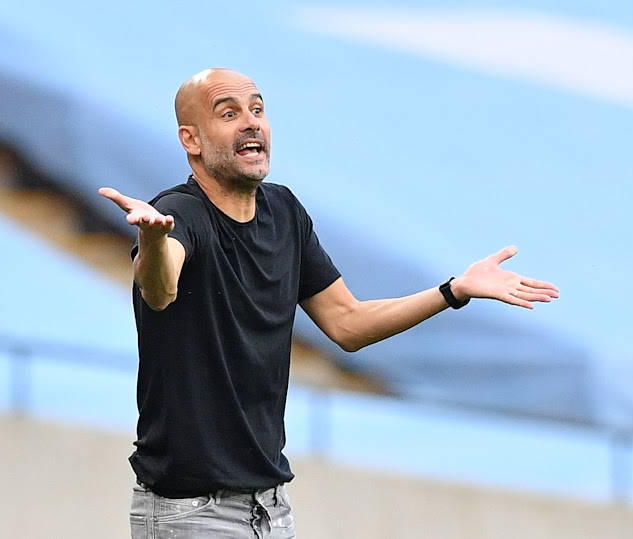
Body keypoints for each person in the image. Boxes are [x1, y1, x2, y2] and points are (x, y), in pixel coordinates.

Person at [99, 68, 559, 539]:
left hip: (270, 510)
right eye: (229, 113)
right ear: (190, 139)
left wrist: (453, 290)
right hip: (192, 513)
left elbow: (348, 323)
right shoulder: (180, 215)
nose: (251, 123)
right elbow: (160, 290)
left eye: (257, 110)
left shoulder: (285, 212)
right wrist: (154, 242)